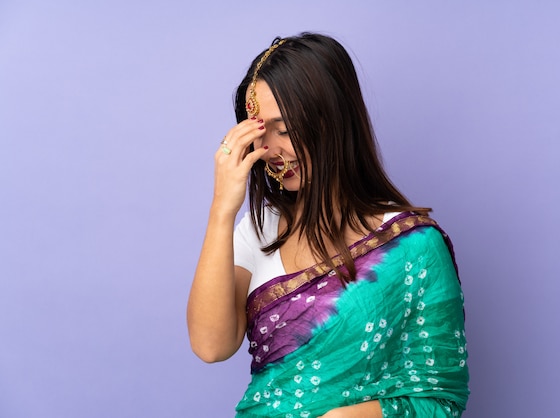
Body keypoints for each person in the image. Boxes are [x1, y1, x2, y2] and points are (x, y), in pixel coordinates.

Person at [187, 33, 469, 417]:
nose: (271, 150)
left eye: (284, 130)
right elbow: (211, 345)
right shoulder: (258, 232)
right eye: (259, 133)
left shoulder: (414, 247)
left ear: (334, 119)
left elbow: (440, 400)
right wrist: (222, 210)